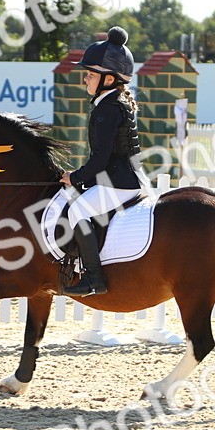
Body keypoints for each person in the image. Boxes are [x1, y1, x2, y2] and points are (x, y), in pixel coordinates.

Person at [59, 26, 146, 297]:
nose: (85, 79)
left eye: (90, 74)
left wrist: (75, 177)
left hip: (119, 182)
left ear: (108, 79)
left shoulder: (107, 109)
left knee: (76, 211)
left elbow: (100, 159)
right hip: (125, 176)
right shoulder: (113, 103)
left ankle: (94, 278)